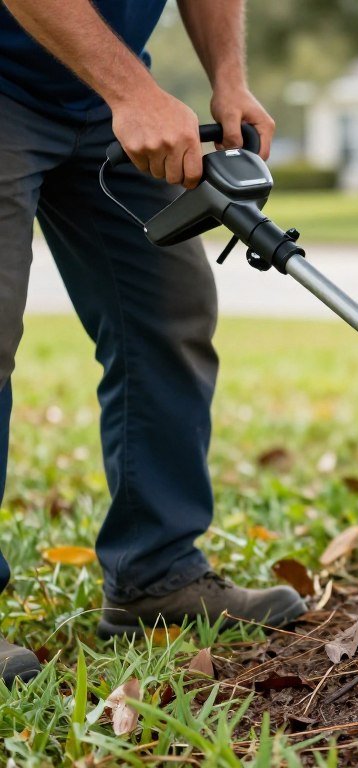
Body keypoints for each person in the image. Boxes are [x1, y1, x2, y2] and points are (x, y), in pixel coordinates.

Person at [0, 0, 307, 685]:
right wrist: (131, 93)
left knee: (169, 311)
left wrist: (228, 76)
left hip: (103, 95)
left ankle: (157, 577)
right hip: (20, 84)